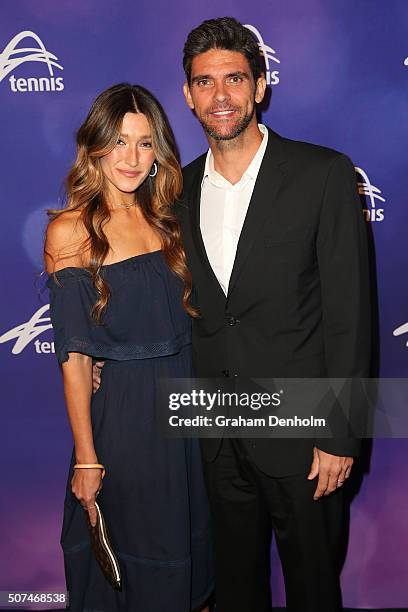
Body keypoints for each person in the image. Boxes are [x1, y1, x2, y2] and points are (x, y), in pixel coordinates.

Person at [177, 17, 371, 612]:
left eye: (234, 78)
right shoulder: (176, 190)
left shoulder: (323, 174)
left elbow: (351, 315)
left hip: (305, 438)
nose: (220, 95)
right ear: (188, 95)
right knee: (235, 591)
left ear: (260, 84)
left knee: (314, 589)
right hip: (216, 436)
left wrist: (340, 435)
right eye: (204, 82)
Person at [44, 83, 213, 612]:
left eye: (144, 144)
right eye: (118, 142)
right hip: (127, 418)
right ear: (95, 147)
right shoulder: (70, 231)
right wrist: (88, 459)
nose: (131, 158)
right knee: (136, 567)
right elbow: (74, 358)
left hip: (189, 408)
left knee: (194, 559)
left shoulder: (173, 219)